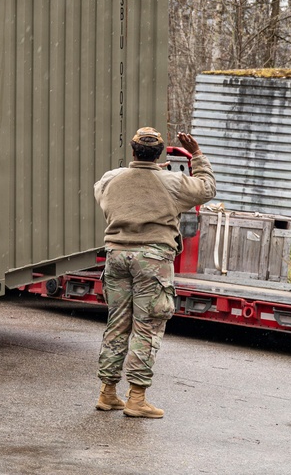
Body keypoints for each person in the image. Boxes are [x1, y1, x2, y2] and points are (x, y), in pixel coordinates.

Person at [93, 127, 216, 418]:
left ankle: (107, 393)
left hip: (116, 256)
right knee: (146, 326)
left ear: (133, 151)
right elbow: (207, 189)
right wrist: (196, 155)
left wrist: (143, 171)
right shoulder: (173, 182)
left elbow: (103, 188)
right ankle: (136, 399)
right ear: (160, 154)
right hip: (152, 260)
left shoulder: (112, 179)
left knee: (118, 324)